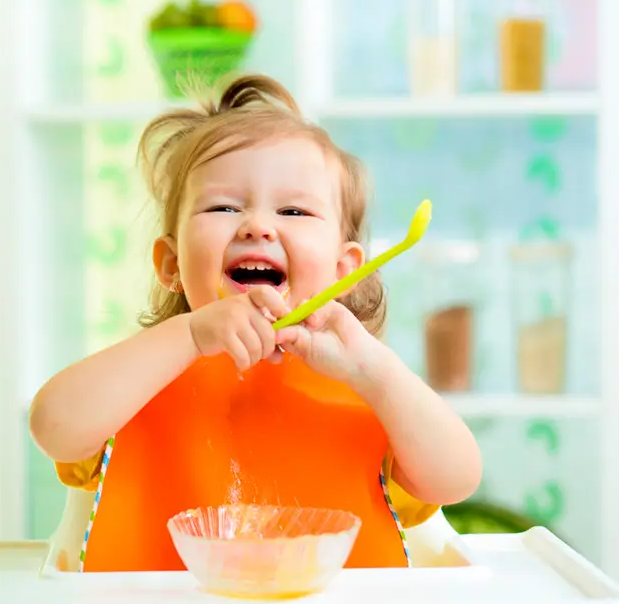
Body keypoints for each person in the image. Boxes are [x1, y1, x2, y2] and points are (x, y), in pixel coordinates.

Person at [29, 73, 482, 573]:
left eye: (293, 210)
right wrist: (190, 334)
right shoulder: (134, 383)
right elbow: (53, 426)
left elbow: (457, 478)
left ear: (343, 270)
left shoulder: (370, 390)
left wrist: (375, 371)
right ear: (171, 265)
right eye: (223, 206)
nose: (258, 225)